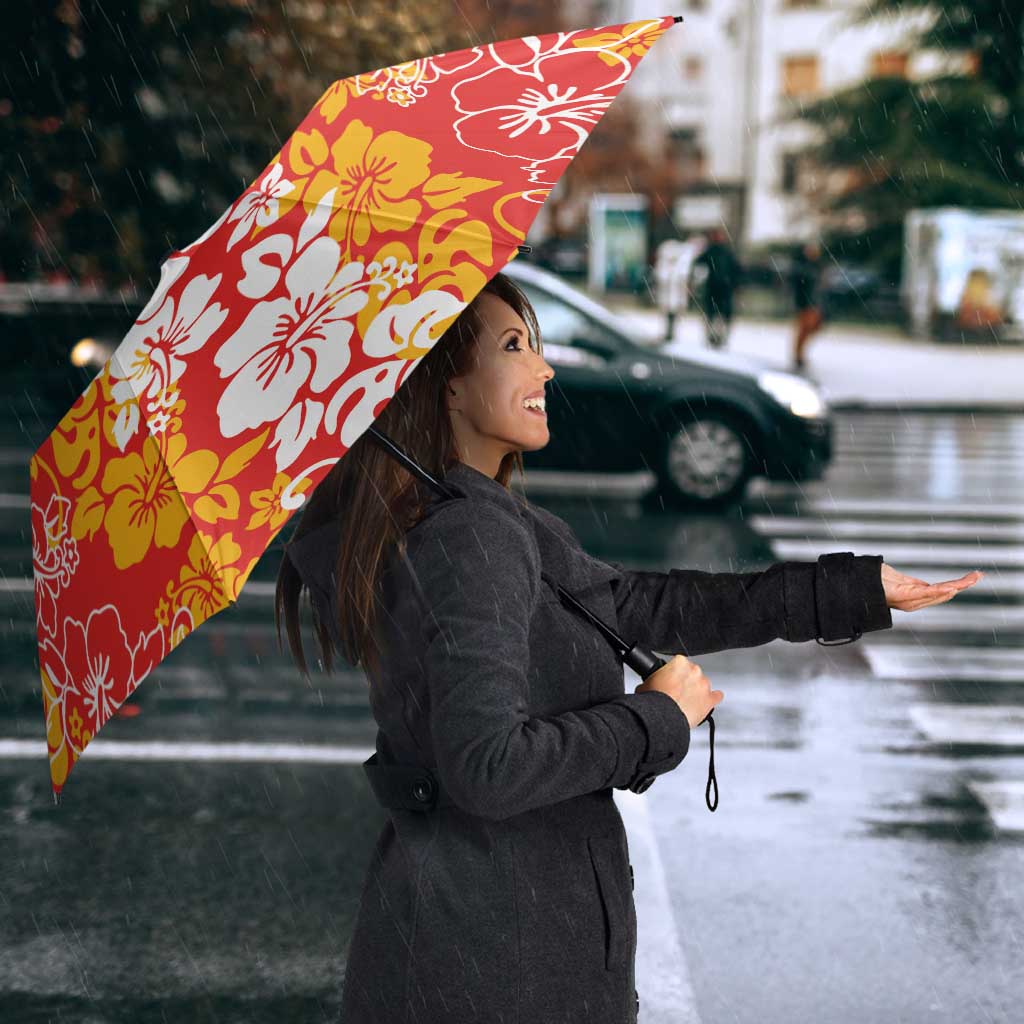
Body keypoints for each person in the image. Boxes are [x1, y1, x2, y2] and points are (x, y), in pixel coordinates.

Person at [275, 271, 977, 1024]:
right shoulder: (469, 536)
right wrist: (656, 719)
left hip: (481, 942)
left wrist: (850, 591)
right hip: (499, 962)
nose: (544, 368)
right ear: (446, 385)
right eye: (514, 346)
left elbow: (639, 605)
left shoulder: (475, 517)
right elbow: (487, 768)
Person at [692, 226, 742, 349]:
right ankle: (713, 337)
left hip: (723, 288)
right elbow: (698, 264)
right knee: (713, 314)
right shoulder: (712, 251)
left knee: (720, 315)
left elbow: (736, 270)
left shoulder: (725, 252)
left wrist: (735, 284)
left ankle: (719, 337)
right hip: (715, 288)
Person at [790, 239, 826, 370]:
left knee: (812, 328)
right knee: (804, 329)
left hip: (814, 303)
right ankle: (798, 355)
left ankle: (799, 354)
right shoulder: (802, 267)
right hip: (805, 303)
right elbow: (799, 286)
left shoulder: (817, 266)